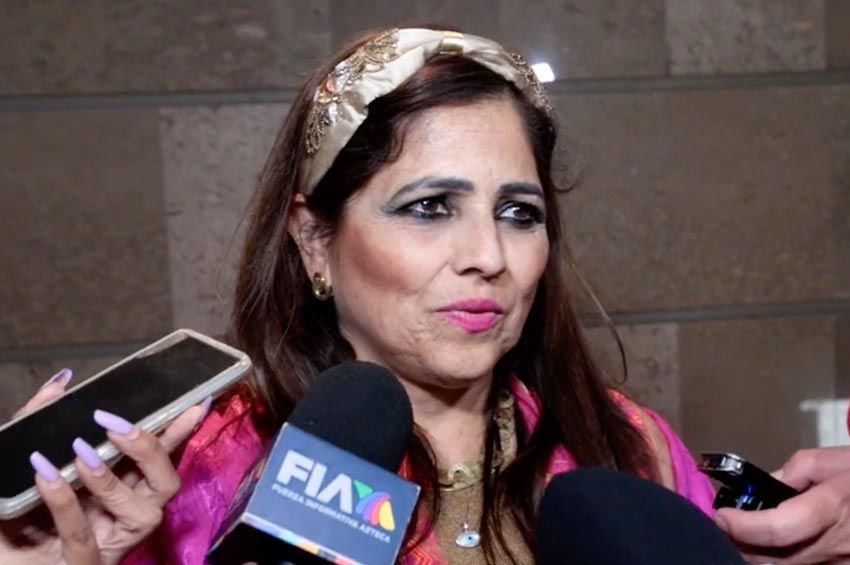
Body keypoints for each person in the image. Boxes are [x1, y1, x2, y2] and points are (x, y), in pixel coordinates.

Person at [3, 27, 849, 565]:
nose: (489, 256)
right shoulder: (197, 474)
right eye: (430, 207)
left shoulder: (624, 446)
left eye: (518, 213)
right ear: (314, 240)